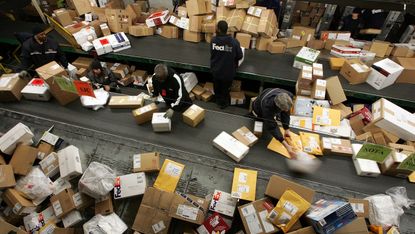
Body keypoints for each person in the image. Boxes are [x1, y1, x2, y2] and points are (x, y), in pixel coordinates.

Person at [252, 88, 296, 157]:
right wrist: (285, 145)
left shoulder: (288, 96)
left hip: (269, 95)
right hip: (258, 109)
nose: (286, 110)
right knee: (264, 125)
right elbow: (272, 126)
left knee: (283, 113)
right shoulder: (267, 106)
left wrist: (286, 128)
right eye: (283, 109)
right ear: (277, 106)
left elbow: (286, 113)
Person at [210, 20, 243, 109]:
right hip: (228, 72)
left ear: (219, 30)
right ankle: (224, 103)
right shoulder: (234, 42)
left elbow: (212, 54)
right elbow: (240, 56)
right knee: (225, 89)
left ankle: (218, 101)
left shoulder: (213, 41)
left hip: (216, 71)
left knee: (217, 88)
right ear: (226, 29)